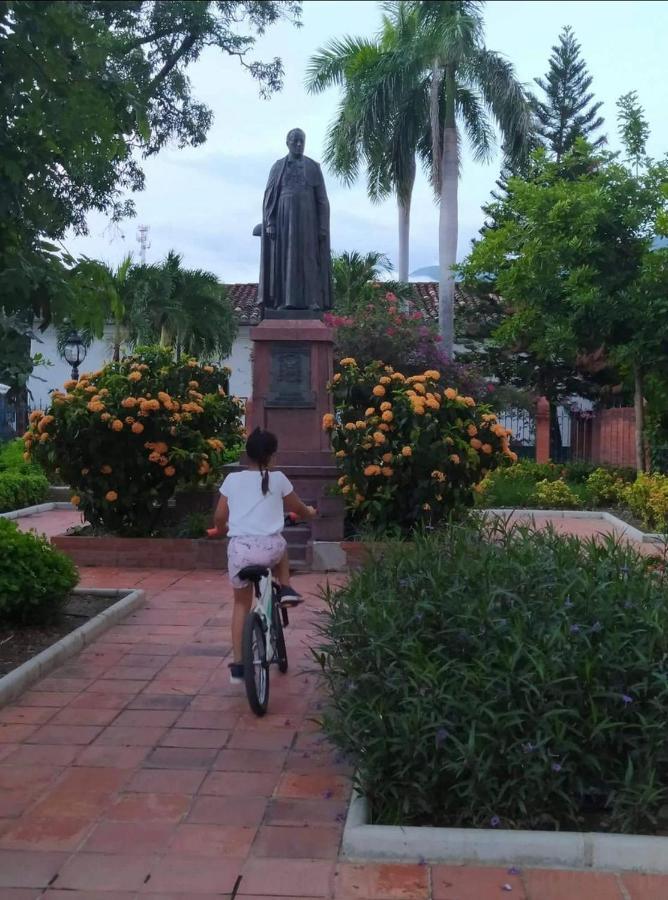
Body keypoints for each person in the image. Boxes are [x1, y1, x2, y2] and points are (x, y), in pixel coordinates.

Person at [213, 427, 316, 684]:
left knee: (240, 605)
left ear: (247, 455)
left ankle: (238, 666)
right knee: (279, 544)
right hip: (268, 551)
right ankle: (287, 588)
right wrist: (309, 513)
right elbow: (298, 508)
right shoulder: (278, 478)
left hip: (240, 553)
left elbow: (220, 516)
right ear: (271, 456)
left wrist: (222, 529)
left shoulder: (232, 481)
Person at [258, 127, 332, 312]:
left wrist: (323, 227)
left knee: (309, 258)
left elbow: (322, 200)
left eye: (302, 141)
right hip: (284, 219)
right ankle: (285, 301)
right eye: (295, 141)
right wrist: (270, 222)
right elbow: (269, 197)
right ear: (287, 143)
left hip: (308, 220)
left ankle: (312, 300)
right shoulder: (277, 167)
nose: (299, 145)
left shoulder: (313, 167)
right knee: (286, 258)